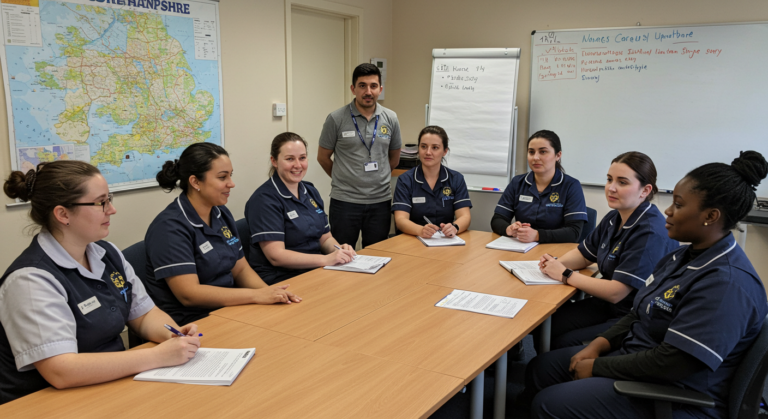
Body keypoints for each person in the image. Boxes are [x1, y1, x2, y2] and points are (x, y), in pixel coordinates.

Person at [524, 151, 768, 419]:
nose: (668, 210)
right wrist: (601, 343)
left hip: (676, 394)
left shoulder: (727, 285)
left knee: (550, 404)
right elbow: (640, 311)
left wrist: (599, 367)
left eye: (678, 204)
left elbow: (673, 363)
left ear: (710, 216)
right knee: (542, 368)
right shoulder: (682, 256)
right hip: (641, 354)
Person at [0, 161, 200, 405]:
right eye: (101, 202)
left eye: (110, 199)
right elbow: (61, 370)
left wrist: (174, 337)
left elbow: (145, 315)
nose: (112, 210)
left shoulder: (107, 253)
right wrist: (157, 356)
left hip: (110, 384)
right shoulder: (30, 279)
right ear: (63, 214)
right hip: (47, 403)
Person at [145, 143, 301, 326]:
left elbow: (240, 268)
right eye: (222, 177)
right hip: (193, 322)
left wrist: (272, 294)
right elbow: (189, 295)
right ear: (195, 182)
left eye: (230, 175)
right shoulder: (169, 227)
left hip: (230, 308)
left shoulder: (220, 213)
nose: (231, 183)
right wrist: (256, 295)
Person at [536, 152, 678, 350]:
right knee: (547, 322)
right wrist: (554, 263)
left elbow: (617, 293)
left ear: (645, 190)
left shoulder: (650, 231)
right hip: (608, 305)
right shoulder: (614, 217)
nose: (611, 188)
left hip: (633, 315)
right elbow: (584, 254)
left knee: (563, 341)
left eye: (622, 182)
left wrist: (565, 274)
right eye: (609, 180)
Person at [246, 132, 357, 285]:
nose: (298, 165)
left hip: (314, 269)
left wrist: (338, 250)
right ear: (274, 161)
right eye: (290, 159)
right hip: (281, 279)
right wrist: (326, 259)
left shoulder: (310, 191)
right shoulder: (264, 200)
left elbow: (325, 238)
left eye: (302, 158)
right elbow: (276, 256)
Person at [317, 63, 402, 248]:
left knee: (378, 255)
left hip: (380, 201)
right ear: (353, 89)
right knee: (342, 257)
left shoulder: (391, 118)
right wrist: (344, 178)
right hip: (345, 201)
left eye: (373, 86)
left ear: (380, 89)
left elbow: (394, 158)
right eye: (362, 85)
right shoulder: (336, 118)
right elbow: (322, 157)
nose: (368, 91)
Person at [491, 130, 587, 243]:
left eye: (543, 152)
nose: (535, 157)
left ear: (558, 155)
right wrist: (509, 229)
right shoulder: (517, 183)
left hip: (556, 252)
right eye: (531, 152)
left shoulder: (571, 186)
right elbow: (497, 219)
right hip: (521, 248)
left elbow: (574, 232)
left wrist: (537, 235)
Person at [392, 126, 471, 238]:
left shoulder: (456, 178)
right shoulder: (405, 180)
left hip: (445, 240)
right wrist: (420, 230)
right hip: (412, 239)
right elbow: (400, 219)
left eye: (435, 147)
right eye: (424, 147)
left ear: (444, 151)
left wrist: (455, 227)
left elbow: (465, 216)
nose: (428, 152)